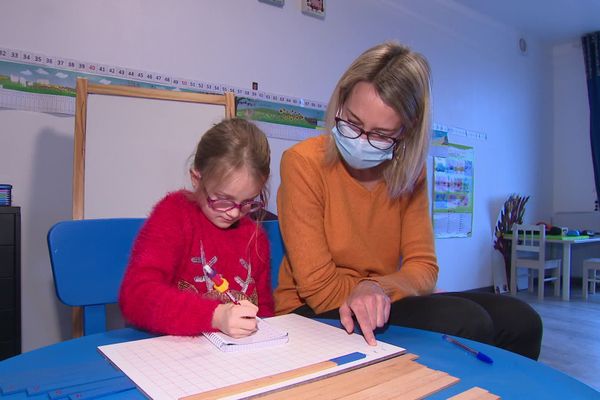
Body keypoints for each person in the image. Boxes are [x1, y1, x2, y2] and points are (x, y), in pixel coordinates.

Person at [274, 42, 542, 360]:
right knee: (468, 322)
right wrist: (382, 288)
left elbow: (424, 268)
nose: (362, 141)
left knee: (521, 320)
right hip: (312, 310)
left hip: (379, 300)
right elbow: (320, 289)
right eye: (353, 123)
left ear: (406, 134)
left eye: (381, 134)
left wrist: (377, 289)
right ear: (340, 102)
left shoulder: (409, 173)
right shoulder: (303, 162)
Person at [119, 118, 274, 338]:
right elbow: (136, 297)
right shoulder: (174, 215)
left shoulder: (254, 236)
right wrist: (215, 316)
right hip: (169, 354)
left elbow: (264, 310)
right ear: (196, 179)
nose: (233, 212)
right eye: (222, 199)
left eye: (247, 201)